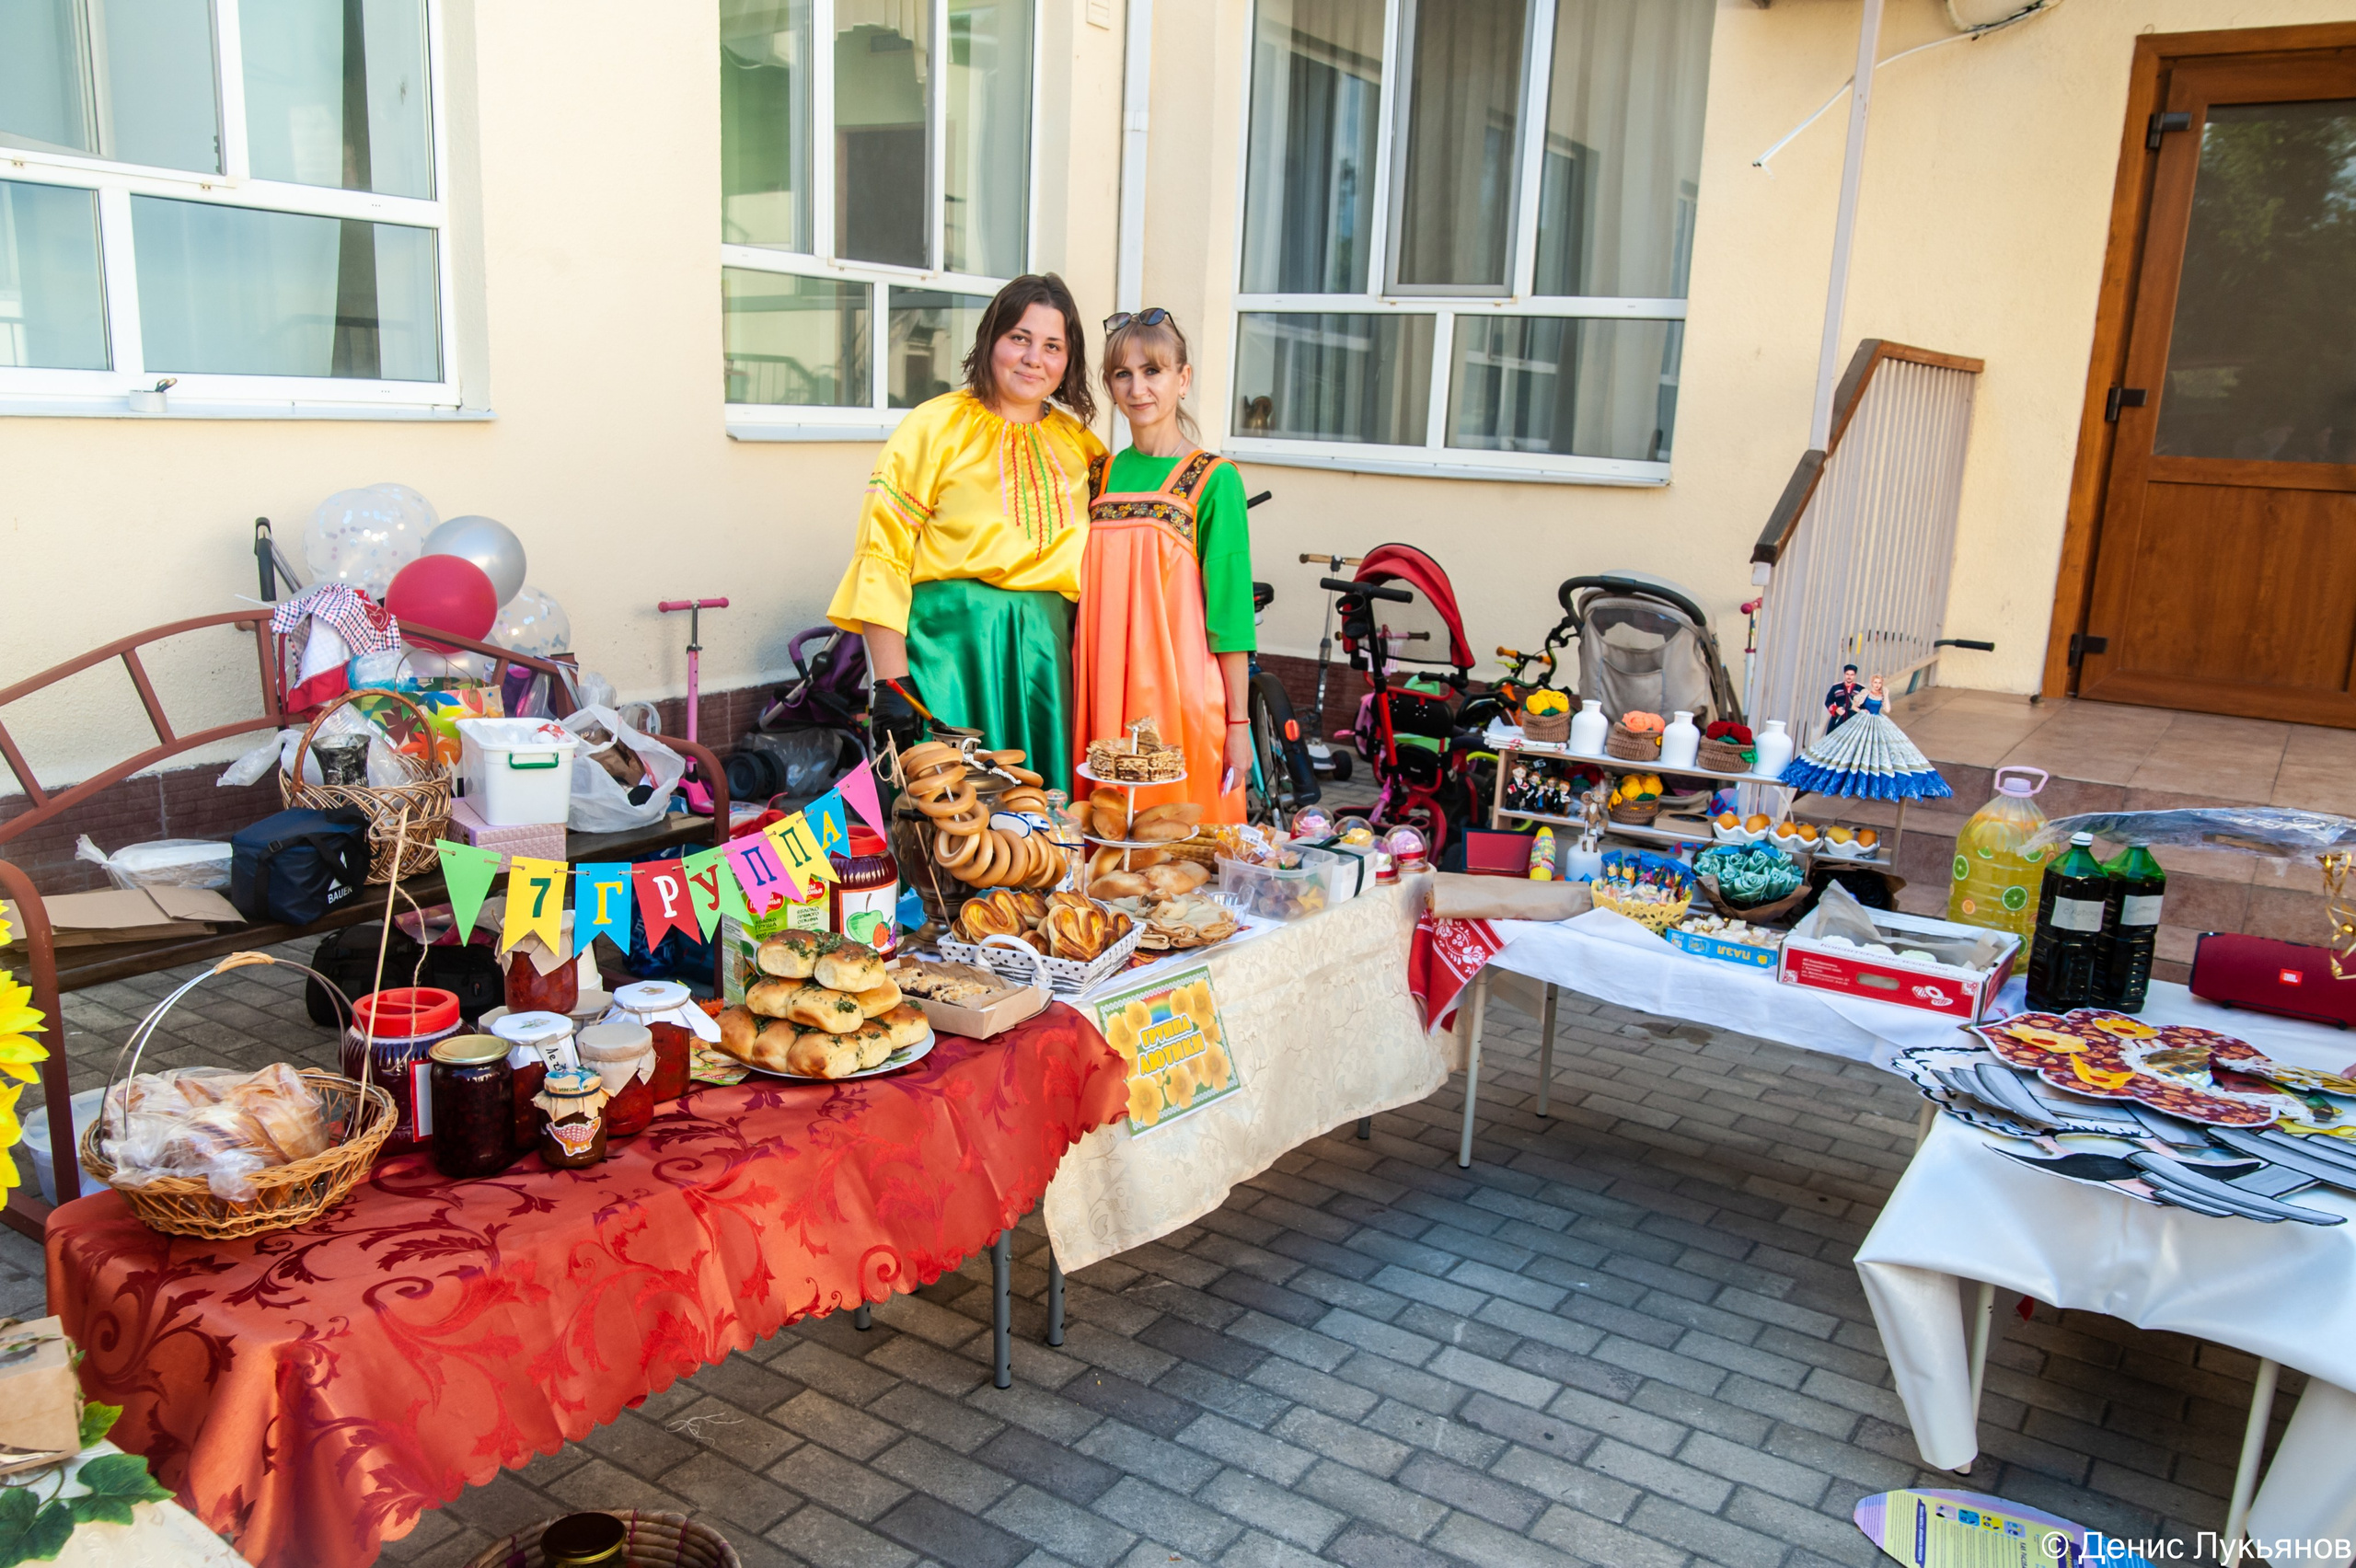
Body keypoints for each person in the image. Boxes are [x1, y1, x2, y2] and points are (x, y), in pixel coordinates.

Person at [826, 275, 1108, 791]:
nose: (1033, 358)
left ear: (1069, 360)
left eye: (1052, 346)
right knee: (950, 825)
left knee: (1040, 829)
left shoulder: (1083, 447)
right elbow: (881, 555)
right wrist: (892, 681)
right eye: (1019, 338)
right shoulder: (932, 427)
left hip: (1049, 665)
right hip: (946, 659)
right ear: (990, 339)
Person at [1069, 309, 1254, 823]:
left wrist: (1238, 723)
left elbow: (1231, 613)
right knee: (1107, 852)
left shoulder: (1214, 479)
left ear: (1183, 378)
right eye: (1122, 374)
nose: (1138, 387)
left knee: (1178, 852)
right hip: (1101, 690)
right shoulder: (1098, 476)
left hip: (1179, 698)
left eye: (1152, 371)